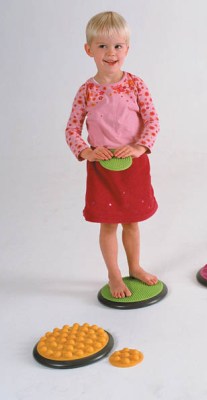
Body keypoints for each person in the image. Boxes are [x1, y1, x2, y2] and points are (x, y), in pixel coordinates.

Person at [65, 11, 160, 298]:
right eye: (103, 46)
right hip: (102, 169)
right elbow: (72, 129)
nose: (111, 53)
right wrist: (87, 151)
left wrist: (140, 146)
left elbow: (152, 120)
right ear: (89, 50)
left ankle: (135, 267)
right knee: (108, 225)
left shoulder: (135, 84)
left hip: (134, 165)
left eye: (118, 46)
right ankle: (114, 275)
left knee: (132, 222)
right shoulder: (86, 91)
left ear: (127, 49)